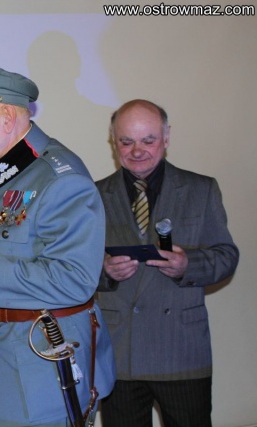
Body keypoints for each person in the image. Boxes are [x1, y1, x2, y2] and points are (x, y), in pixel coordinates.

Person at [0, 67, 116, 427]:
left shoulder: (59, 179)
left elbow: (74, 280)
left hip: (45, 367)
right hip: (5, 360)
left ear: (6, 117)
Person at [96, 99, 240, 427]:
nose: (137, 151)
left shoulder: (201, 189)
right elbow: (74, 268)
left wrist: (188, 264)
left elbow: (227, 256)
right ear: (113, 141)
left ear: (166, 137)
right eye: (126, 142)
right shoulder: (93, 195)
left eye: (148, 140)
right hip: (120, 352)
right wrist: (105, 271)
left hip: (181, 349)